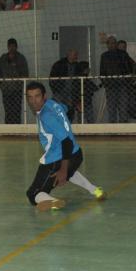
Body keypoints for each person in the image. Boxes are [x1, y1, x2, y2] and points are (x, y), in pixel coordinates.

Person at [24, 81, 106, 211]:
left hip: (56, 159)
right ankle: (96, 190)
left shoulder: (46, 115)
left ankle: (54, 202)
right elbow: (68, 108)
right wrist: (76, 106)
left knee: (33, 194)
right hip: (77, 154)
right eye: (30, 97)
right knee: (71, 172)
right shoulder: (54, 104)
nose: (34, 101)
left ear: (44, 96)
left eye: (37, 96)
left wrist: (62, 170)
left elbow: (66, 141)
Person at [99, 34, 132, 122]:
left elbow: (129, 68)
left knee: (123, 107)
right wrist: (106, 83)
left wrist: (127, 81)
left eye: (113, 43)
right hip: (110, 86)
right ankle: (113, 127)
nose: (112, 45)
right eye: (110, 43)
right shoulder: (104, 56)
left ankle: (124, 128)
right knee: (111, 108)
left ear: (116, 44)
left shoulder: (123, 54)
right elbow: (102, 71)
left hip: (122, 85)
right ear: (107, 45)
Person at [0, 38, 29, 124]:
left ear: (16, 47)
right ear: (7, 47)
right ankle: (8, 130)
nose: (11, 48)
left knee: (17, 111)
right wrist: (2, 85)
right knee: (7, 111)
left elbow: (25, 74)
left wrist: (19, 85)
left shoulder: (21, 58)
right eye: (10, 46)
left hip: (17, 91)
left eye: (13, 46)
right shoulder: (3, 58)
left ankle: (18, 130)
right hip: (6, 91)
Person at [49, 49, 80, 121]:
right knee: (59, 112)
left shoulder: (78, 66)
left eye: (76, 54)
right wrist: (56, 90)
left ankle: (68, 128)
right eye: (75, 54)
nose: (76, 56)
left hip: (72, 94)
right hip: (60, 93)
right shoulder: (59, 65)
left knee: (70, 113)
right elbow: (52, 79)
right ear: (68, 54)